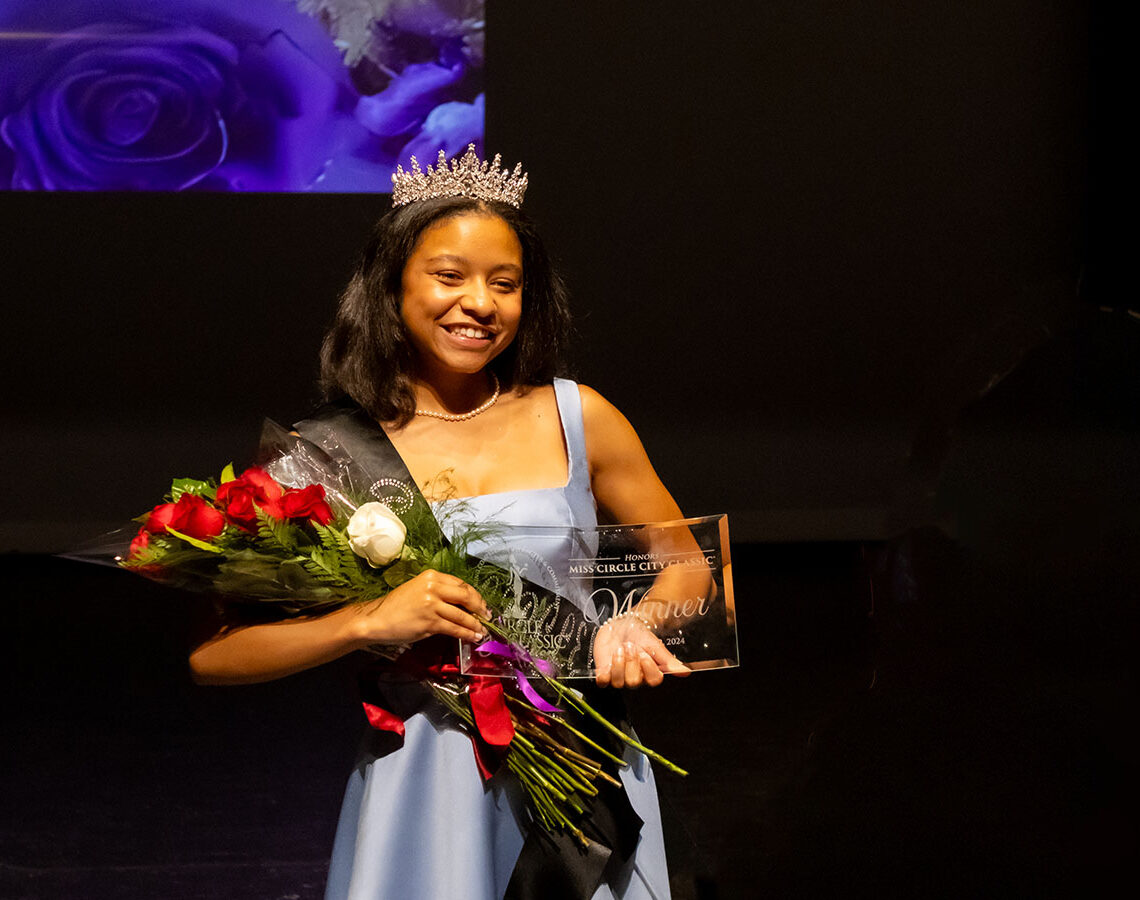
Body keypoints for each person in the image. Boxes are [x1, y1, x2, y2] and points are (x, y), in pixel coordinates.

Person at [189, 147, 688, 900]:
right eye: (449, 276)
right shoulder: (330, 453)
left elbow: (693, 569)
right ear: (391, 286)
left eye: (505, 283)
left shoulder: (579, 416)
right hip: (428, 779)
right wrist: (365, 622)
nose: (480, 304)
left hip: (583, 759)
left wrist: (642, 624)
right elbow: (215, 658)